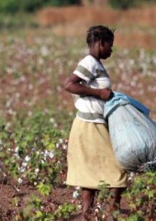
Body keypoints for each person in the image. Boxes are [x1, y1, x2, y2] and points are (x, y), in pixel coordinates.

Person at [63, 25, 127, 216]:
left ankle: (87, 215)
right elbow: (69, 84)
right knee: (118, 169)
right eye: (110, 45)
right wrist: (99, 93)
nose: (112, 50)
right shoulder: (89, 62)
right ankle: (112, 214)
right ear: (101, 43)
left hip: (93, 125)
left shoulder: (96, 64)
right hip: (89, 126)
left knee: (90, 173)